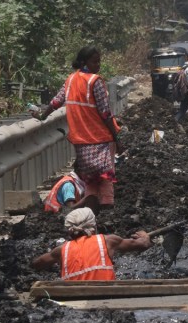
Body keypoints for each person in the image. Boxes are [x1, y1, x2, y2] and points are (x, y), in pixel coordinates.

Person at [36, 46, 121, 210]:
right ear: (84, 62)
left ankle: (90, 209)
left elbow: (56, 101)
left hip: (81, 142)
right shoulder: (95, 81)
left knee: (89, 179)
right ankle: (107, 209)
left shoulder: (70, 80)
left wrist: (42, 115)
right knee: (106, 179)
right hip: (100, 139)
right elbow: (105, 113)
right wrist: (116, 137)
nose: (98, 65)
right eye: (95, 62)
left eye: (99, 62)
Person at [31, 207, 152, 280]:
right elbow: (142, 244)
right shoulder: (108, 241)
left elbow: (37, 263)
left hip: (73, 301)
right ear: (94, 226)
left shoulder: (61, 250)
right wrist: (145, 236)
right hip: (105, 297)